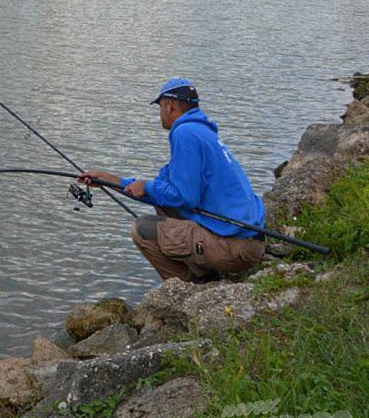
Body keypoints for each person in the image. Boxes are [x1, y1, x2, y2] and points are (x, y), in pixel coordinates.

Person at [80, 78, 267, 282]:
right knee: (164, 206)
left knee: (142, 229)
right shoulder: (201, 131)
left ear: (169, 106)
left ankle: (192, 289)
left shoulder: (184, 134)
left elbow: (186, 198)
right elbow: (161, 192)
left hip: (236, 247)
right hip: (251, 240)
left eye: (160, 107)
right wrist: (111, 180)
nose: (160, 114)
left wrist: (148, 187)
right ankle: (206, 275)